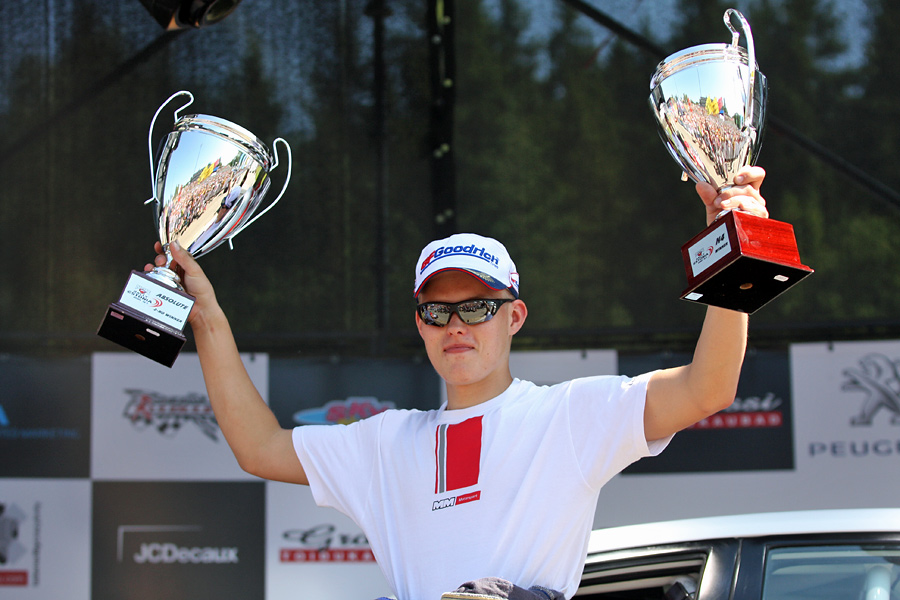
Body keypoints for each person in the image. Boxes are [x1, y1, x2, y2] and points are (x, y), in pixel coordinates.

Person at [147, 166, 769, 600]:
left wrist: (734, 245)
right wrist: (209, 319)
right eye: (438, 311)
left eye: (476, 307)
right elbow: (259, 448)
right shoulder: (385, 443)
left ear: (514, 317)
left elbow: (707, 388)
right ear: (419, 324)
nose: (456, 326)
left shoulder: (569, 416)